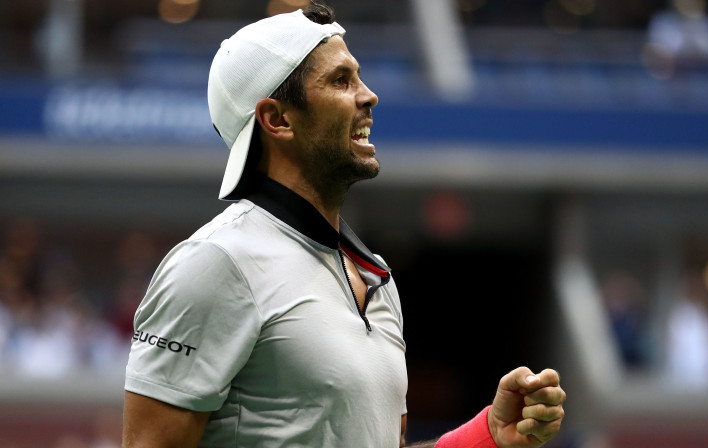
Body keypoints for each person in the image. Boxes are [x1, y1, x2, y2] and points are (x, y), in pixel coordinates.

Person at [121, 2, 565, 447]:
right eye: (340, 80)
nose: (368, 95)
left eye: (358, 76)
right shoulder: (216, 262)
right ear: (277, 119)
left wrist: (487, 436)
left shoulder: (378, 276)